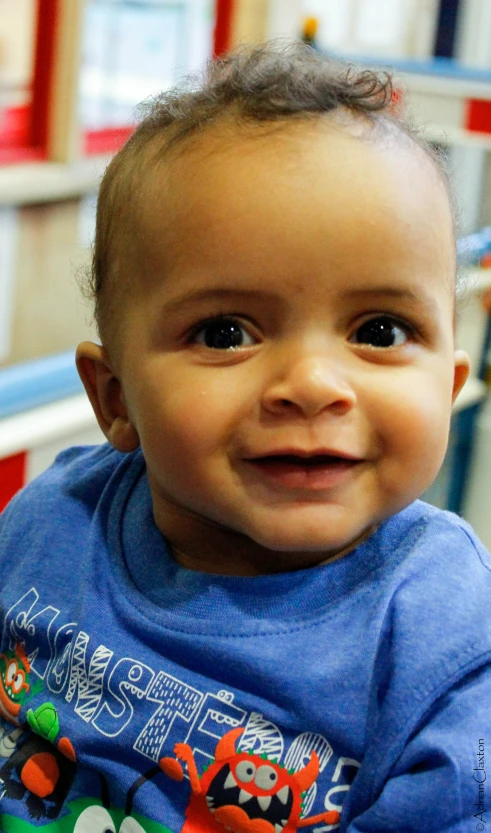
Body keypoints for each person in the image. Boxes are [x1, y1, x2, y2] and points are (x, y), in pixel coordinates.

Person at [0, 43, 489, 833]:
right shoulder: (53, 521)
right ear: (115, 399)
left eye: (379, 328)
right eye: (226, 332)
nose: (313, 384)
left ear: (450, 378)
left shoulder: (443, 636)